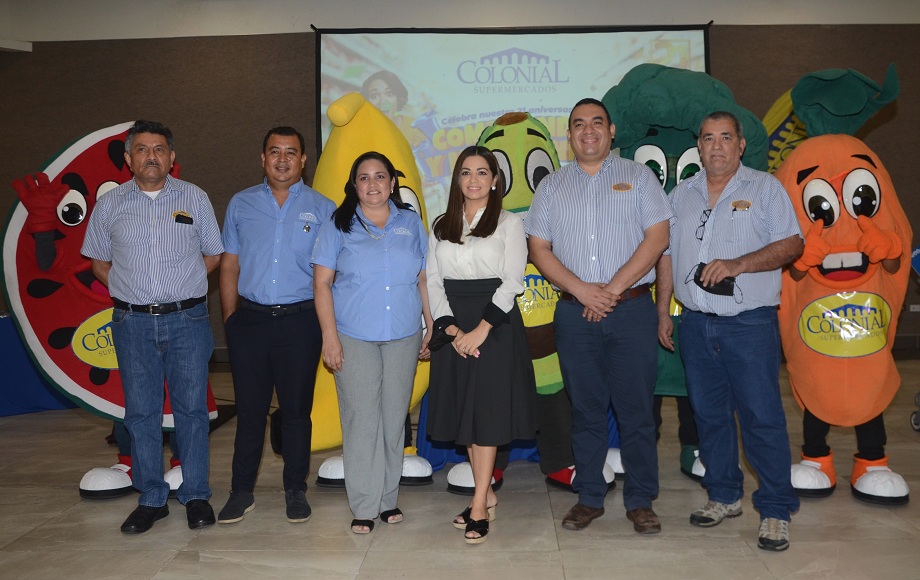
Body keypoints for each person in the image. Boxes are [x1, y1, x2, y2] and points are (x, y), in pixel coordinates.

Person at [658, 110, 803, 551]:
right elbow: (665, 255)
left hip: (750, 325)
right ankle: (723, 496)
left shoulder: (765, 188)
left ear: (740, 145)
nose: (716, 145)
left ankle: (776, 509)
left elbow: (793, 243)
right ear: (697, 147)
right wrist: (664, 311)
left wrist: (739, 264)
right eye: (707, 138)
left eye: (725, 137)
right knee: (709, 416)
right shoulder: (680, 195)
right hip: (696, 324)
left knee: (761, 418)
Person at [525, 98, 671, 534]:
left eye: (596, 123)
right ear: (568, 137)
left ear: (610, 133)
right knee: (585, 411)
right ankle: (589, 496)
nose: (588, 131)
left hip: (630, 313)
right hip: (573, 314)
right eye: (578, 125)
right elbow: (538, 248)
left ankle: (641, 500)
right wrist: (582, 290)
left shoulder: (639, 177)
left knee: (637, 412)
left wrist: (611, 290)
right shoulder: (551, 186)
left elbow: (658, 237)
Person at [81, 119, 223, 534]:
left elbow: (213, 254)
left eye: (159, 149)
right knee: (141, 414)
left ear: (172, 157)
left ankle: (196, 495)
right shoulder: (110, 204)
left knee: (192, 411)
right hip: (132, 322)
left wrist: (185, 285)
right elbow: (98, 261)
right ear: (128, 159)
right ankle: (151, 498)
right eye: (142, 149)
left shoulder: (194, 198)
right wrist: (129, 289)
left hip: (188, 320)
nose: (151, 156)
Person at [216, 126, 336, 525]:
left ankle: (295, 489)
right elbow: (229, 264)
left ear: (303, 160)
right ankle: (241, 490)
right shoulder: (241, 203)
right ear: (262, 158)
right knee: (250, 411)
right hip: (249, 322)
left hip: (300, 323)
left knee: (297, 413)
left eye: (291, 152)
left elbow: (330, 274)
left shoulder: (323, 208)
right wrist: (231, 320)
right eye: (274, 151)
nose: (282, 159)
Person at [311, 151, 432, 534]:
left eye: (381, 176)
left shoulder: (410, 224)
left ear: (393, 183)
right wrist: (329, 337)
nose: (373, 184)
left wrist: (431, 326)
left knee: (394, 418)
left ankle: (387, 500)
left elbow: (424, 279)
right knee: (362, 420)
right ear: (354, 185)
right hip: (353, 335)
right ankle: (364, 504)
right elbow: (321, 284)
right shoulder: (337, 225)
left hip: (404, 335)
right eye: (364, 177)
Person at [425, 146, 536, 544]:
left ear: (495, 180)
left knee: (485, 413)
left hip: (496, 325)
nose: (474, 179)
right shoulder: (441, 224)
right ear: (457, 180)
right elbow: (432, 281)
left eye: (482, 172)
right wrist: (452, 331)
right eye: (466, 172)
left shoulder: (509, 223)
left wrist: (481, 329)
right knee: (465, 413)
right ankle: (485, 493)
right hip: (454, 326)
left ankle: (476, 507)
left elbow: (513, 281)